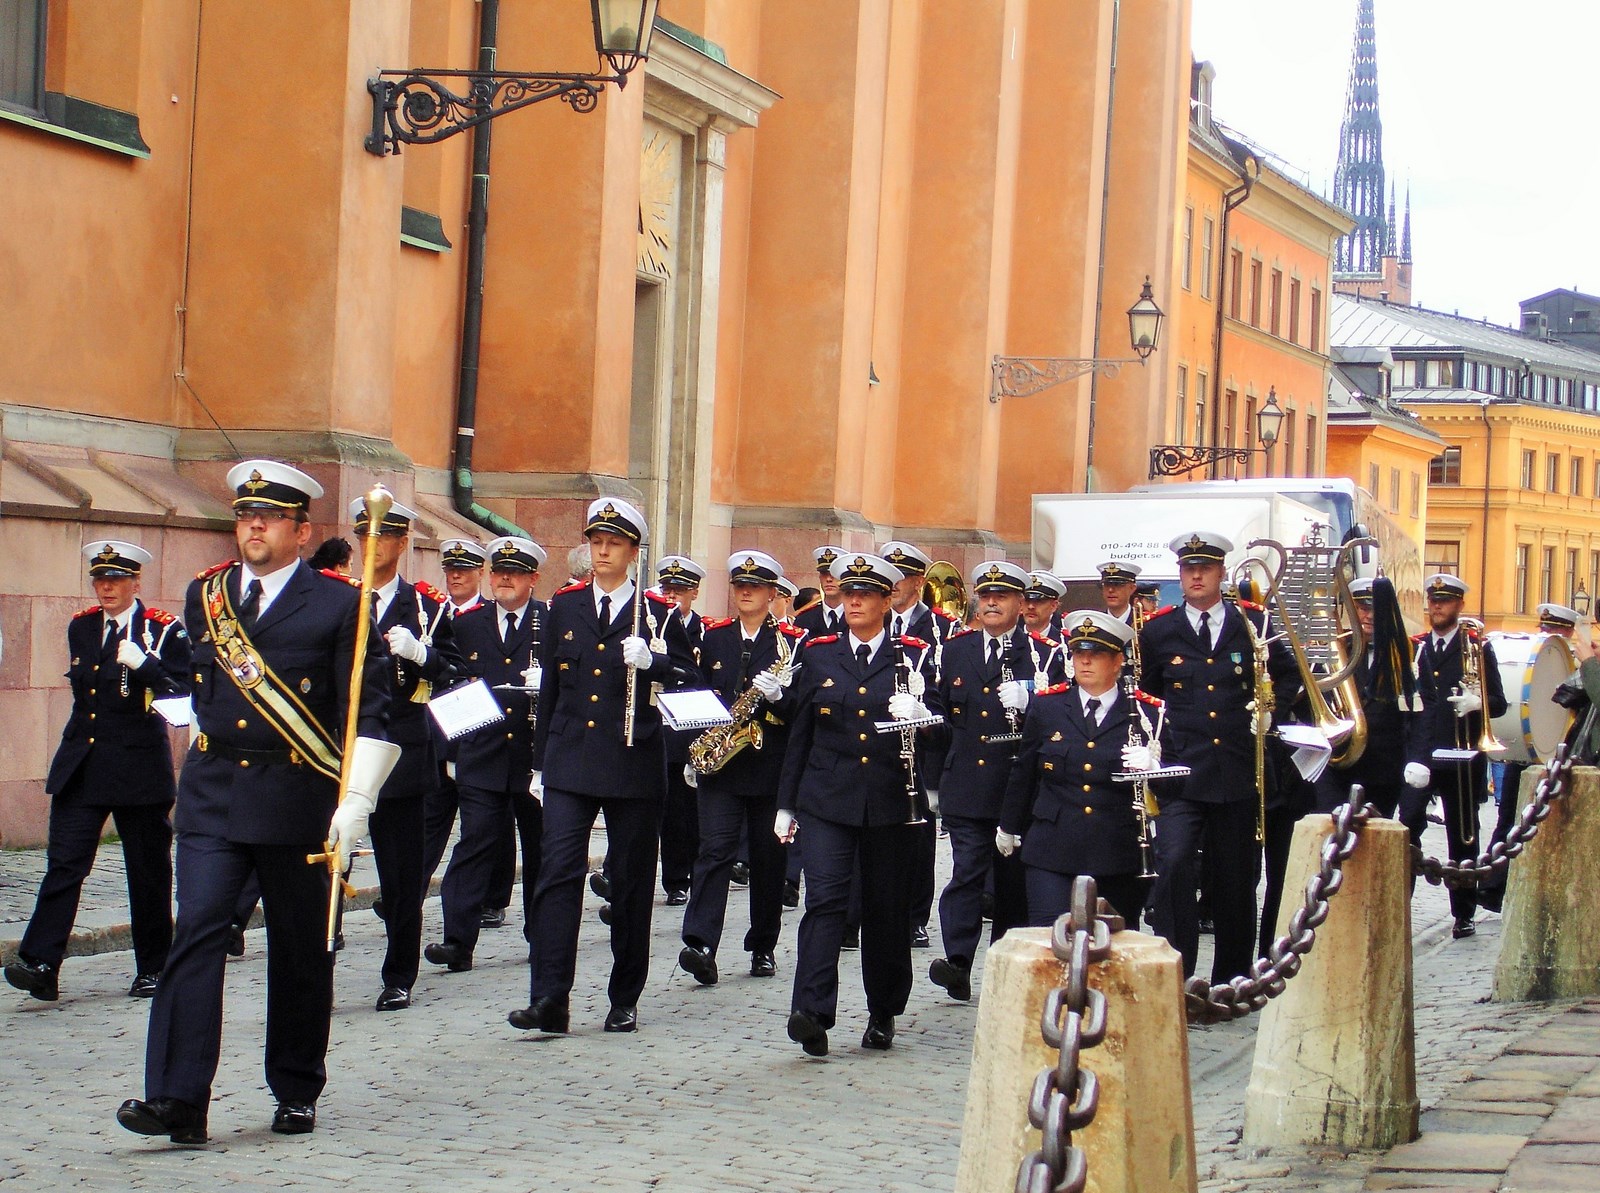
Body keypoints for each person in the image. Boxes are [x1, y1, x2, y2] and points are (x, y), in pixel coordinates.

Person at [118, 460, 394, 1145]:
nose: (254, 527)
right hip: (213, 795)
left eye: (268, 518)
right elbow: (195, 686)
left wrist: (356, 799)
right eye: (246, 516)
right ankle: (177, 1096)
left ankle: (296, 1084)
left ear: (301, 532)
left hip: (299, 796)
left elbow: (372, 712)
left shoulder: (339, 605)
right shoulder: (204, 595)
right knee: (199, 929)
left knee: (301, 947)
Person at [509, 498, 682, 1035]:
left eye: (613, 543)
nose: (602, 551)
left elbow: (693, 682)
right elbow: (556, 690)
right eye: (595, 542)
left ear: (633, 551)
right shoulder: (564, 607)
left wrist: (655, 661)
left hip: (633, 761)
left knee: (629, 882)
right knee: (557, 875)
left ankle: (624, 995)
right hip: (570, 759)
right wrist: (540, 765)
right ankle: (549, 998)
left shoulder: (659, 614)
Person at [5, 541, 190, 1004]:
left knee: (146, 871)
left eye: (116, 579)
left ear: (136, 582)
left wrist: (146, 665)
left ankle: (154, 965)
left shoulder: (163, 631)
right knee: (64, 864)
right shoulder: (82, 627)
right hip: (83, 764)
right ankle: (42, 962)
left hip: (137, 766)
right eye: (100, 579)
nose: (106, 587)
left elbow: (185, 701)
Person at [778, 552, 943, 1057]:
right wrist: (787, 805)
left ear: (886, 600)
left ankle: (883, 1010)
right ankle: (811, 1010)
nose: (852, 602)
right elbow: (800, 733)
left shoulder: (913, 656)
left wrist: (922, 714)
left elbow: (944, 731)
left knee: (885, 910)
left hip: (892, 802)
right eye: (848, 593)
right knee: (824, 901)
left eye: (864, 594)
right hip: (828, 799)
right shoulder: (820, 652)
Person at [1138, 530, 1298, 984]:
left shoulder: (1253, 623)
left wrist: (1271, 714)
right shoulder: (1159, 629)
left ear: (1221, 573)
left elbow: (1289, 678)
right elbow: (1149, 694)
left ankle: (1232, 975)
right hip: (1181, 771)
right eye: (1188, 570)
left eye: (1204, 569)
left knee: (1234, 879)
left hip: (1236, 769)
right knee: (1173, 861)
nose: (1195, 577)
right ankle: (1176, 970)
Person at [926, 561, 1064, 1003]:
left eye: (1001, 596)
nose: (990, 603)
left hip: (1017, 787)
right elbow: (944, 715)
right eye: (985, 595)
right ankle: (958, 961)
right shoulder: (956, 650)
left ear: (1022, 604)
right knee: (966, 871)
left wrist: (1034, 701)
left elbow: (1062, 725)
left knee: (1011, 883)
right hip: (967, 781)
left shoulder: (1044, 654)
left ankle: (1005, 964)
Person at [350, 498, 459, 1011]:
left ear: (399, 544)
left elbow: (454, 668)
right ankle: (318, 958)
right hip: (342, 752)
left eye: (383, 538)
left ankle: (399, 973)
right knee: (329, 867)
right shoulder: (338, 600)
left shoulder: (427, 606)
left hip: (401, 751)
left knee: (400, 874)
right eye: (363, 538)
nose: (372, 548)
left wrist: (422, 655)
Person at [677, 551, 805, 985]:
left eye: (755, 586)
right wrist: (695, 749)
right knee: (713, 851)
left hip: (769, 765)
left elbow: (801, 713)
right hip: (721, 765)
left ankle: (763, 944)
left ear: (773, 593)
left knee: (769, 860)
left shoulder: (792, 643)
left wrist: (777, 698)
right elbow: (698, 693)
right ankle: (700, 943)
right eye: (738, 585)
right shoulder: (715, 638)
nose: (745, 592)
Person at [426, 536, 548, 972]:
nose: (504, 580)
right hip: (483, 754)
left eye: (514, 574)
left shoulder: (549, 623)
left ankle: (542, 938)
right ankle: (458, 940)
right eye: (498, 573)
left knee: (540, 851)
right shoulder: (469, 624)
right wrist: (450, 750)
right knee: (475, 843)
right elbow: (449, 684)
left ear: (533, 579)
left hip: (534, 758)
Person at [999, 610, 1157, 928]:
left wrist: (1154, 768)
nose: (1084, 661)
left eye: (1096, 654)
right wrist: (1008, 825)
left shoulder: (1145, 713)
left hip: (1116, 850)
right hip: (1052, 848)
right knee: (1049, 939)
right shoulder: (1048, 707)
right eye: (1078, 653)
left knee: (1112, 950)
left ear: (1117, 662)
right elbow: (1025, 772)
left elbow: (1170, 792)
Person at [1410, 573, 1507, 939]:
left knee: (1463, 836)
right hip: (1423, 751)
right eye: (1433, 601)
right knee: (1408, 825)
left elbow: (1498, 703)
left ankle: (1463, 914)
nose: (1437, 607)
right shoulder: (1417, 646)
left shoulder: (1477, 648)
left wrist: (1477, 703)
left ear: (1459, 605)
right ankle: (1400, 902)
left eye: (1445, 601)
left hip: (1462, 753)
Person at [881, 540, 958, 949]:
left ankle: (915, 917)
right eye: (888, 577)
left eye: (902, 577)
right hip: (878, 743)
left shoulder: (942, 629)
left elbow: (947, 691)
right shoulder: (872, 620)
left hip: (923, 745)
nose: (893, 585)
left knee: (918, 837)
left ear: (918, 582)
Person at [1480, 601, 1578, 914]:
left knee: (1548, 828)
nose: (1545, 634)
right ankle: (1494, 888)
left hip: (1562, 759)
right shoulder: (1538, 660)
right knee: (1508, 820)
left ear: (1568, 632)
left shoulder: (1577, 664)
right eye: (1544, 628)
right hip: (1526, 757)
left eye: (1553, 630)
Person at [1311, 577, 1425, 820]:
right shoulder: (1337, 649)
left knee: (1375, 844)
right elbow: (1314, 701)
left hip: (1384, 770)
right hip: (1338, 765)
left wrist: (1417, 759)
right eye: (1362, 608)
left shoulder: (1409, 653)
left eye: (1375, 609)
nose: (1369, 616)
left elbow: (1422, 715)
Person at [657, 555, 707, 906]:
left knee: (681, 812)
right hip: (654, 723)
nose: (672, 597)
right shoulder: (652, 623)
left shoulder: (704, 631)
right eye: (667, 590)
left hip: (687, 728)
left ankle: (679, 878)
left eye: (680, 591)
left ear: (694, 593)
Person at [795, 546, 847, 636]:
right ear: (819, 577)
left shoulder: (858, 617)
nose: (828, 579)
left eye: (833, 574)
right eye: (824, 574)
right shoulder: (804, 620)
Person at [1023, 571, 1067, 641]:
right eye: (1027, 600)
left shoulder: (1064, 643)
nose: (1030, 606)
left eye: (1038, 602)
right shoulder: (1009, 639)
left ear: (1053, 606)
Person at [1097, 561, 1142, 625]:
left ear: (1132, 588)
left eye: (1117, 584)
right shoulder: (1096, 623)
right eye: (1107, 584)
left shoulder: (1145, 623)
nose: (1110, 590)